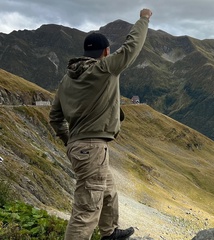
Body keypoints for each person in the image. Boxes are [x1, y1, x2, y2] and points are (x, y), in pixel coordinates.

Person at [49, 8, 152, 240]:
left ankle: (110, 232)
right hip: (92, 147)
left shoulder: (67, 80)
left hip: (82, 147)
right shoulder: (104, 68)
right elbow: (131, 48)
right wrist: (143, 19)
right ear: (106, 51)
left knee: (107, 190)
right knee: (86, 211)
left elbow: (55, 117)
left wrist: (70, 141)